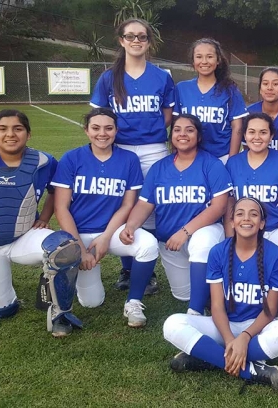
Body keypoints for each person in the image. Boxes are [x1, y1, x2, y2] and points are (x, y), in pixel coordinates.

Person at [0, 109, 82, 338]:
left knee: (65, 247)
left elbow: (55, 192)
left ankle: (60, 314)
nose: (11, 134)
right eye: (3, 129)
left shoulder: (43, 162)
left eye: (18, 128)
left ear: (28, 134)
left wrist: (43, 218)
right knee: (2, 311)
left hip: (24, 236)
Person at [162, 197, 278, 392]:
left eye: (254, 214)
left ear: (262, 224)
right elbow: (217, 306)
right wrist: (229, 340)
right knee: (172, 325)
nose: (246, 219)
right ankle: (253, 371)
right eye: (240, 214)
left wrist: (244, 337)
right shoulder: (218, 252)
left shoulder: (276, 255)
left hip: (257, 329)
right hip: (222, 327)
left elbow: (270, 311)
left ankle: (208, 357)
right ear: (232, 222)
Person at [50, 108, 159, 328]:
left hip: (112, 230)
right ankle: (64, 279)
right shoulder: (72, 158)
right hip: (79, 233)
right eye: (96, 128)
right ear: (86, 131)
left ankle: (134, 301)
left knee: (148, 244)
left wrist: (107, 236)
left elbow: (128, 204)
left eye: (108, 128)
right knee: (92, 302)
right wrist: (79, 248)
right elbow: (61, 208)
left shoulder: (128, 159)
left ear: (116, 131)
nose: (102, 133)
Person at [90, 18, 174, 294]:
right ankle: (127, 269)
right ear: (121, 40)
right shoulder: (108, 77)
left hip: (153, 148)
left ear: (149, 41)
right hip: (120, 149)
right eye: (130, 36)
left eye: (142, 37)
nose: (136, 41)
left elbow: (167, 113)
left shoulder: (161, 76)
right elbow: (98, 115)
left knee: (148, 208)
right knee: (122, 207)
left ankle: (145, 270)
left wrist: (150, 131)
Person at [120, 114, 231, 315]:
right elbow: (145, 204)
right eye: (178, 129)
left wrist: (185, 231)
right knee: (183, 294)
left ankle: (196, 313)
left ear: (198, 137)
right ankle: (210, 290)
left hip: (201, 232)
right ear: (171, 136)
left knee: (202, 242)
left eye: (189, 130)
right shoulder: (159, 167)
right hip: (170, 240)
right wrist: (131, 226)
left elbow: (219, 207)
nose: (183, 134)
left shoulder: (211, 164)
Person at [226, 113, 278, 319]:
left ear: (271, 136)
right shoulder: (233, 163)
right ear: (244, 134)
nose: (257, 137)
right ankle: (241, 298)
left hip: (274, 227)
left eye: (263, 132)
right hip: (242, 229)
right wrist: (230, 234)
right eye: (252, 132)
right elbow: (229, 201)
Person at [173, 38, 248, 164]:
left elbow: (237, 127)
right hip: (190, 158)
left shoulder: (229, 89)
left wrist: (232, 159)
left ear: (218, 60)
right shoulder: (182, 88)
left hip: (221, 157)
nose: (204, 61)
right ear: (193, 61)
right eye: (199, 57)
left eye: (209, 56)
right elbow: (176, 126)